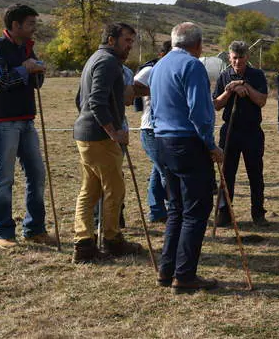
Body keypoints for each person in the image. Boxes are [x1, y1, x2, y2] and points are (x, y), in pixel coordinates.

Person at [150, 22, 224, 293]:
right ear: (198, 44)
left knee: (177, 210)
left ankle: (166, 270)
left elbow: (155, 107)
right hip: (187, 143)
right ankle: (184, 276)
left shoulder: (159, 66)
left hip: (163, 142)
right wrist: (210, 144)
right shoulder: (192, 66)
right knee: (195, 211)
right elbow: (200, 111)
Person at [0, 3, 57, 249]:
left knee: (36, 175)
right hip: (2, 122)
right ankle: (2, 231)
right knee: (4, 179)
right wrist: (25, 68)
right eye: (31, 24)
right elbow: (1, 81)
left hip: (26, 120)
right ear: (15, 25)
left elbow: (35, 83)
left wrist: (38, 70)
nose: (34, 28)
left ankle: (34, 228)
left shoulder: (27, 48)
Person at [73, 22, 143, 263]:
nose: (129, 46)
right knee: (115, 189)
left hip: (86, 134)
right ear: (112, 39)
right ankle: (112, 240)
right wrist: (113, 132)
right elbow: (96, 101)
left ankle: (84, 244)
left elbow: (79, 99)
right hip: (100, 137)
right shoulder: (107, 61)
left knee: (90, 190)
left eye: (132, 42)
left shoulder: (95, 58)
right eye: (127, 41)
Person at [213, 41, 269, 227]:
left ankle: (258, 213)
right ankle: (224, 213)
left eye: (241, 58)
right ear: (229, 57)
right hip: (230, 131)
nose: (237, 61)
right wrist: (230, 90)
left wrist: (245, 85)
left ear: (247, 57)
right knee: (226, 174)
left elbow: (261, 100)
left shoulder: (257, 75)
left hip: (252, 131)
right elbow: (216, 104)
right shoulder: (223, 76)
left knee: (255, 174)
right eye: (234, 58)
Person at [132, 40, 172, 223]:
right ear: (163, 55)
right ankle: (174, 208)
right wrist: (155, 90)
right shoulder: (152, 69)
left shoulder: (169, 70)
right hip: (150, 129)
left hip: (163, 128)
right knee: (166, 170)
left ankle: (156, 211)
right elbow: (134, 86)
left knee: (158, 169)